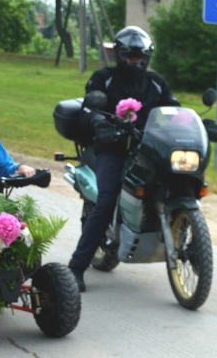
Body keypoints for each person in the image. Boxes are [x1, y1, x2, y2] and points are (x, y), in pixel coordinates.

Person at [67, 26, 179, 292]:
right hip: (112, 148)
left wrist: (195, 122)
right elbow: (87, 107)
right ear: (120, 55)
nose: (136, 60)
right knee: (106, 199)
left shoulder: (156, 83)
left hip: (148, 149)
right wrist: (98, 120)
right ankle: (76, 267)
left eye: (140, 56)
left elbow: (174, 109)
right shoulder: (104, 79)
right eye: (130, 56)